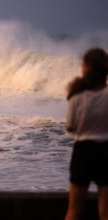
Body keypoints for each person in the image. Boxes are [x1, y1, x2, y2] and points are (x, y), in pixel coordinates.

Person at [65, 48, 108, 220]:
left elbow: (70, 126)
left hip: (83, 152)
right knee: (105, 213)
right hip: (106, 151)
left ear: (87, 67)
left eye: (82, 65)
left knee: (74, 210)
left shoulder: (77, 96)